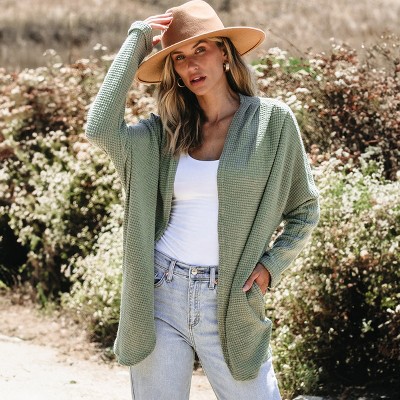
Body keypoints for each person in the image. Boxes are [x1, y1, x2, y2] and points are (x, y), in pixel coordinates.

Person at [85, 1, 320, 399]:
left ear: (225, 53)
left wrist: (271, 265)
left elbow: (305, 209)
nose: (191, 64)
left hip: (229, 297)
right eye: (178, 57)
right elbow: (100, 129)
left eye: (201, 49)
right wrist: (137, 39)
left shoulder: (272, 122)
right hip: (161, 293)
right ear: (173, 71)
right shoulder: (165, 132)